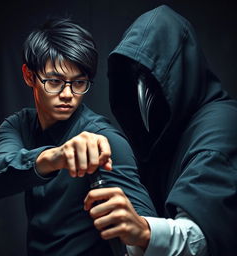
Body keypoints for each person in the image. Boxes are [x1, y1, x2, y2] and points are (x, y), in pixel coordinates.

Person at [0, 16, 156, 256]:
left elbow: (146, 232)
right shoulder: (19, 124)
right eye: (54, 81)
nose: (67, 94)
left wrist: (138, 227)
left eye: (79, 83)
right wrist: (57, 157)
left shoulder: (104, 141)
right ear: (29, 76)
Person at [84, 4, 237, 256]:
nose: (141, 93)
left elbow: (200, 237)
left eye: (151, 76)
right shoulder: (163, 136)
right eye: (132, 79)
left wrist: (144, 232)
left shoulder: (221, 127)